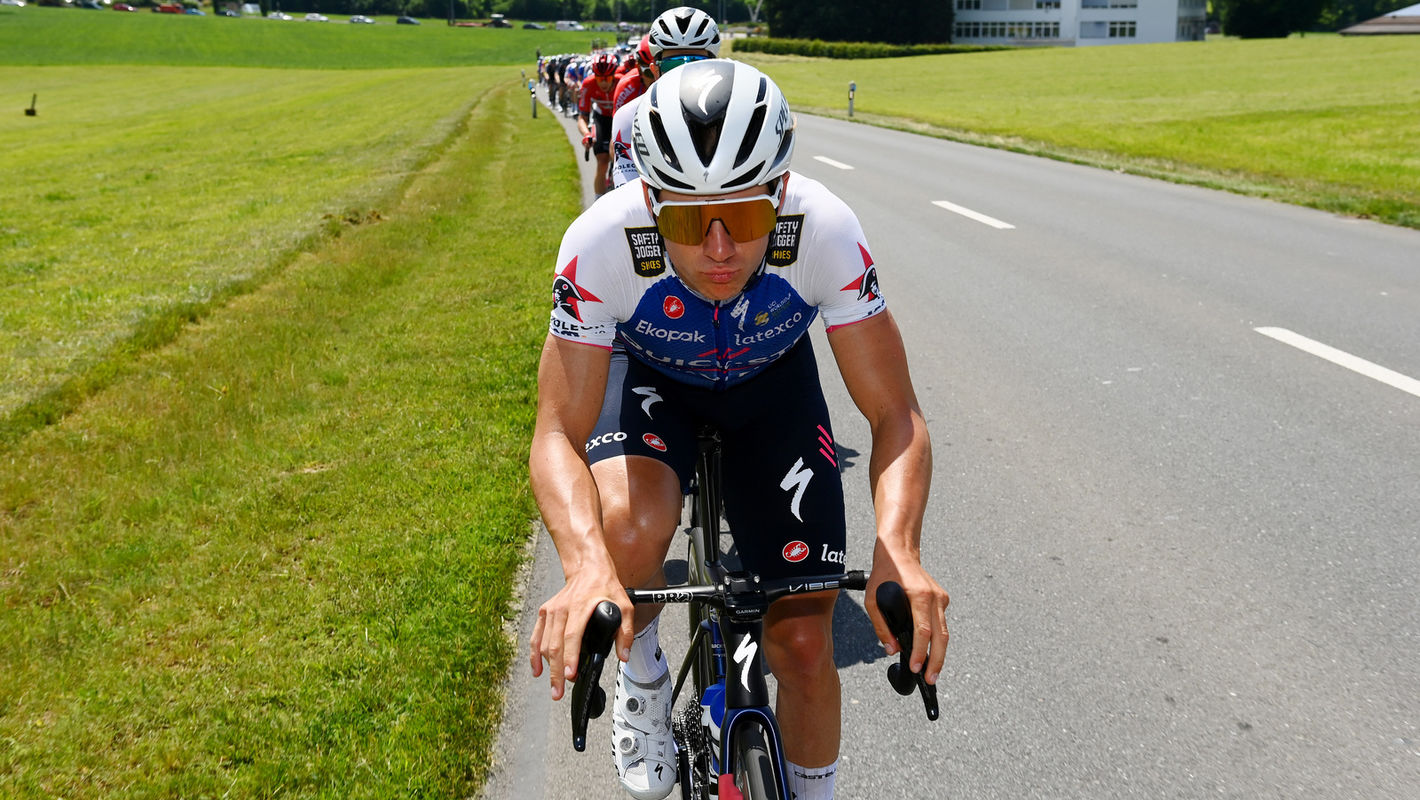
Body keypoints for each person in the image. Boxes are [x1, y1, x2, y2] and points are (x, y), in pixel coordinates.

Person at [529, 60, 950, 800]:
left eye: (746, 217)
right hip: (653, 377)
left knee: (804, 643)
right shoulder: (600, 243)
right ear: (650, 200)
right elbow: (557, 430)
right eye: (689, 221)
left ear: (780, 196)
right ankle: (647, 672)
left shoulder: (825, 231)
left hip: (770, 386)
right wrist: (588, 566)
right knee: (628, 532)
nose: (719, 248)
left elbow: (894, 413)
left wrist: (901, 551)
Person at [608, 6, 722, 191]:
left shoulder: (736, 111)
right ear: (655, 71)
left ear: (715, 68)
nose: (684, 74)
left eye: (696, 64)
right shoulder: (628, 117)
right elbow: (626, 190)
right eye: (673, 65)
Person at [578, 52, 621, 196]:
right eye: (599, 78)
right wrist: (586, 134)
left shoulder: (622, 82)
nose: (603, 82)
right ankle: (598, 202)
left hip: (619, 119)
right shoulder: (588, 84)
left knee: (621, 162)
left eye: (607, 78)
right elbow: (582, 117)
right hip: (601, 118)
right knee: (602, 162)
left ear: (614, 75)